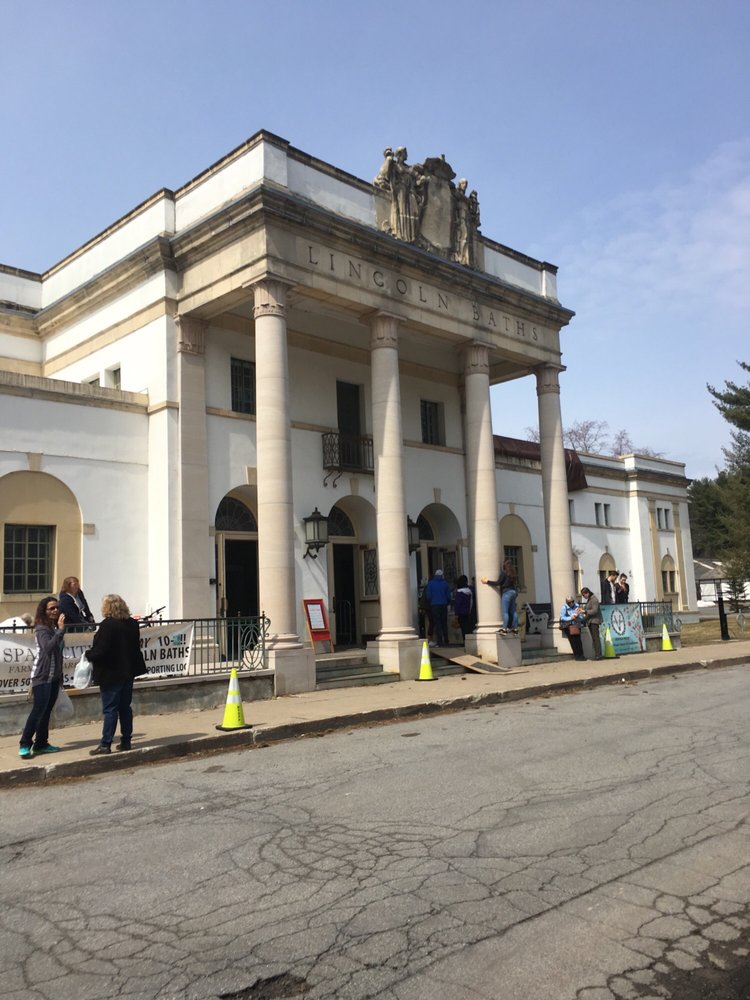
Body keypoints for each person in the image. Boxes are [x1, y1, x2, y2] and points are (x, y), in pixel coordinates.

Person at [86, 594, 147, 755]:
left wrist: (88, 655)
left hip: (111, 672)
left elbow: (102, 650)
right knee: (125, 707)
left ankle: (106, 744)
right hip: (128, 670)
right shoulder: (132, 624)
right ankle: (126, 740)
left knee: (110, 709)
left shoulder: (108, 625)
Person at [18, 597, 66, 758]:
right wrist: (60, 630)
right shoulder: (41, 629)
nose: (55, 610)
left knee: (46, 712)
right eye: (51, 608)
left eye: (57, 608)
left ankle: (41, 743)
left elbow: (58, 653)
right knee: (38, 710)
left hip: (53, 677)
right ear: (44, 611)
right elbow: (48, 648)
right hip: (42, 677)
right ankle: (25, 743)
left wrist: (60, 677)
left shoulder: (53, 628)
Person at [481, 559, 519, 634]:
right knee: (513, 611)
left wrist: (487, 581)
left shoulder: (504, 573)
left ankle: (504, 629)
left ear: (504, 565)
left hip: (507, 593)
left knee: (505, 612)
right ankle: (515, 628)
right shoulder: (513, 573)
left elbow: (498, 583)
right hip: (513, 592)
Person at [424, 569, 452, 647]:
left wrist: (431, 602)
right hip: (443, 604)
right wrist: (447, 602)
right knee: (444, 623)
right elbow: (449, 596)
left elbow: (428, 596)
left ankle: (440, 641)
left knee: (437, 623)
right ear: (442, 575)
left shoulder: (430, 584)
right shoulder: (445, 583)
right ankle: (446, 639)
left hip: (434, 605)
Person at [559, 596, 586, 660]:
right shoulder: (564, 607)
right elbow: (562, 617)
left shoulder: (577, 606)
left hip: (576, 625)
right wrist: (571, 618)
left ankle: (581, 655)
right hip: (568, 626)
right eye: (569, 602)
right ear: (567, 603)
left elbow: (582, 617)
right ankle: (576, 655)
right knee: (572, 641)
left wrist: (578, 615)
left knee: (578, 640)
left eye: (572, 601)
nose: (571, 603)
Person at [580, 587, 603, 659]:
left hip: (594, 621)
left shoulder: (594, 599)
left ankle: (598, 655)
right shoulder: (589, 599)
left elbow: (595, 610)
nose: (584, 597)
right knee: (594, 638)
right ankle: (597, 654)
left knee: (596, 638)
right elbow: (588, 608)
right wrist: (583, 610)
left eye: (584, 595)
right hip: (590, 621)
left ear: (587, 593)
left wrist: (585, 611)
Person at [453, 574, 474, 640]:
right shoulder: (470, 591)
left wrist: (456, 614)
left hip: (461, 613)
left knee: (463, 628)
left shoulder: (459, 592)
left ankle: (465, 641)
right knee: (468, 627)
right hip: (468, 611)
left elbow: (458, 604)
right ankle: (469, 640)